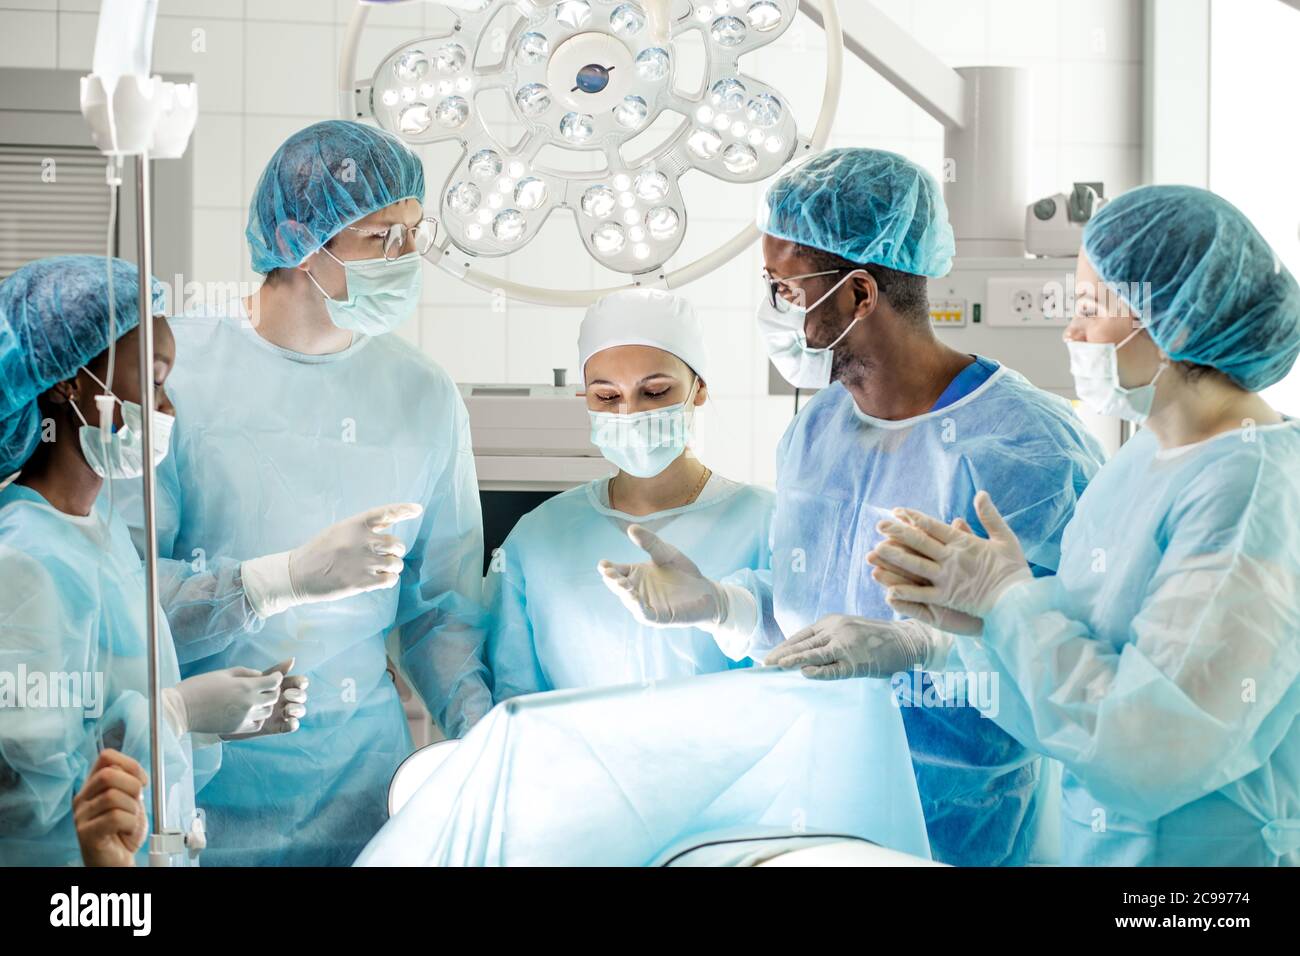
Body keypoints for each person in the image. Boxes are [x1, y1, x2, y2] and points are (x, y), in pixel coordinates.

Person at [600, 148, 1107, 866]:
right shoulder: (817, 429)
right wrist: (722, 606)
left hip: (959, 834)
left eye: (783, 288)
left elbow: (1065, 678)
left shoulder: (1028, 452)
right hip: (819, 820)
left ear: (859, 295)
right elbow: (818, 615)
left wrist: (919, 650)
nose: (771, 310)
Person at [862, 185, 1300, 866]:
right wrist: (961, 638)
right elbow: (1080, 677)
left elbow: (1151, 745)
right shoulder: (1147, 459)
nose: (1071, 332)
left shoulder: (1248, 490)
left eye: (1092, 309)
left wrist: (1009, 602)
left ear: (1173, 323)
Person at [111, 120, 490, 866]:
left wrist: (485, 736)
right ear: (297, 240)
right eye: (383, 239)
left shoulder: (424, 394)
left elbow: (442, 611)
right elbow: (123, 597)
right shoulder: (174, 375)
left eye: (416, 235)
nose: (407, 260)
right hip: (201, 783)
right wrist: (269, 584)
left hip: (363, 791)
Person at [0, 255, 307, 866]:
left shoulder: (100, 529)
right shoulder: (23, 557)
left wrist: (207, 721)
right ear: (69, 381)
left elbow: (109, 703)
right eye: (156, 378)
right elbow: (30, 796)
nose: (168, 409)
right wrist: (178, 710)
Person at [488, 290, 773, 697]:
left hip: (732, 762)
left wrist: (726, 609)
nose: (630, 413)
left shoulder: (765, 522)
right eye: (607, 396)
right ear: (584, 399)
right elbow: (512, 696)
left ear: (700, 389)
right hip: (573, 762)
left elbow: (805, 671)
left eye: (655, 392)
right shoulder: (538, 538)